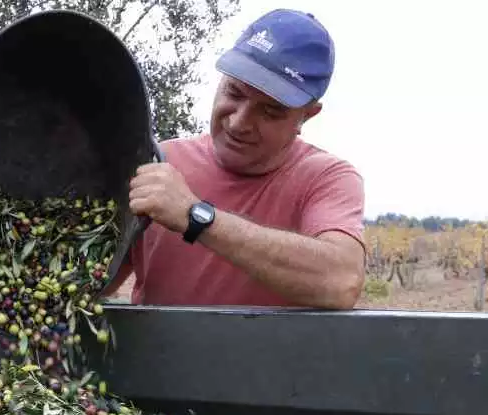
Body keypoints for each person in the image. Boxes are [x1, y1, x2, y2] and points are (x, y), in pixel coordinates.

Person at [108, 8, 366, 310]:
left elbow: (341, 282)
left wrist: (195, 216)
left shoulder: (326, 178)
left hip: (264, 359)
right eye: (234, 92)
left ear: (306, 116)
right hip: (159, 358)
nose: (239, 122)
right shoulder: (159, 162)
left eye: (270, 111)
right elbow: (94, 278)